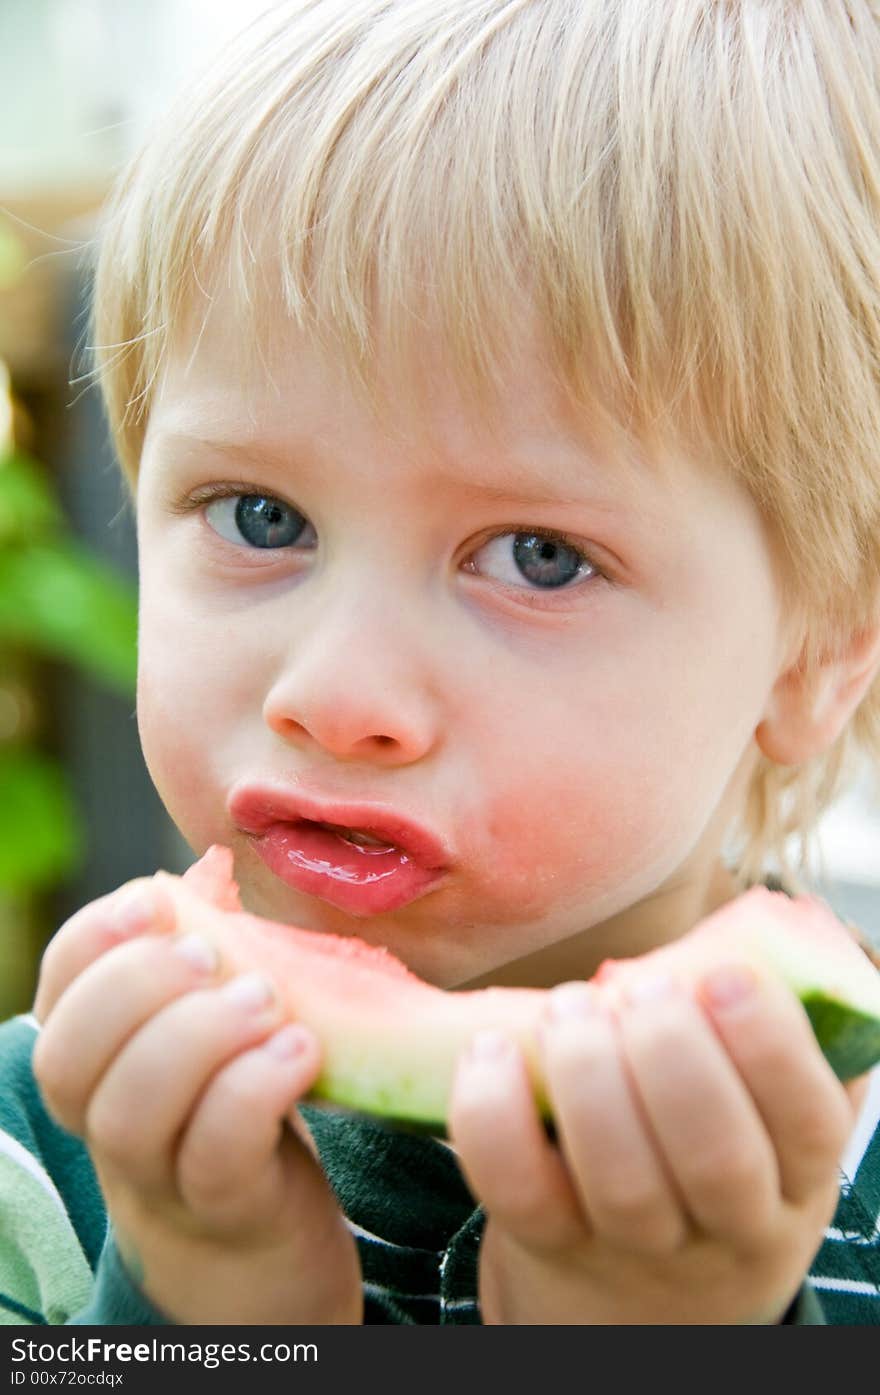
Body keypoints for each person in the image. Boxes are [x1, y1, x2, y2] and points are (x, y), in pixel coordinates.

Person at [2, 0, 880, 1326]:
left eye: (536, 555)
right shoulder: (45, 1154)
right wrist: (209, 1317)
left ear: (822, 653)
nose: (337, 698)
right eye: (261, 518)